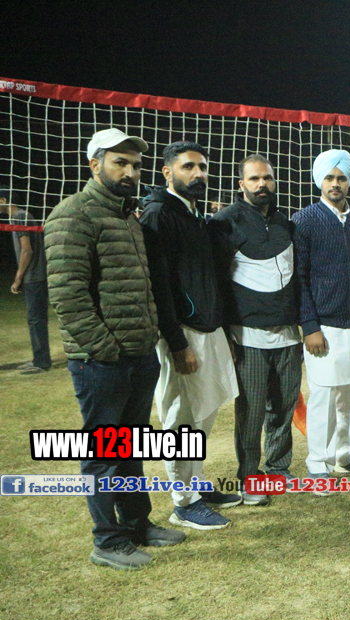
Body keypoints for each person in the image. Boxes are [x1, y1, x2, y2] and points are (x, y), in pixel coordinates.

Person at [45, 127, 186, 569]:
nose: (130, 171)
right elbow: (68, 295)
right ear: (95, 165)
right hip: (102, 361)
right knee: (104, 455)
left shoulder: (127, 216)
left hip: (138, 354)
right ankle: (107, 541)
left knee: (129, 450)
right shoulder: (73, 214)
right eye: (119, 162)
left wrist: (144, 341)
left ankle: (137, 524)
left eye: (135, 165)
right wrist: (103, 348)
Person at [141, 140, 241, 528]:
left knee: (204, 413)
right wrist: (176, 340)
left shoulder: (192, 213)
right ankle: (183, 502)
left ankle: (194, 483)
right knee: (181, 417)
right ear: (167, 172)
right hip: (183, 331)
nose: (198, 173)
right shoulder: (158, 214)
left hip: (207, 326)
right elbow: (160, 284)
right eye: (188, 167)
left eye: (202, 167)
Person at [210, 155, 305, 506]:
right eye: (253, 178)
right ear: (241, 184)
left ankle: (278, 469)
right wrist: (224, 332)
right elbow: (216, 282)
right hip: (247, 336)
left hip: (288, 335)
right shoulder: (224, 223)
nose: (261, 184)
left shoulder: (285, 224)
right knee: (250, 413)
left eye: (267, 178)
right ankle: (249, 477)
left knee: (283, 407)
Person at [293, 149, 350, 488]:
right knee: (323, 398)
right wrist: (310, 326)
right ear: (319, 180)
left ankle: (347, 454)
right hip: (323, 327)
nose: (335, 183)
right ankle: (317, 462)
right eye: (329, 177)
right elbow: (299, 278)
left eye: (341, 178)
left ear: (349, 181)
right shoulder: (304, 220)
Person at [3, 189, 52, 373]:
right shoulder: (21, 216)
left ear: (3, 200)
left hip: (34, 275)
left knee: (36, 319)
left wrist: (18, 278)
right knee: (35, 319)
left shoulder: (20, 216)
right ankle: (39, 359)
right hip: (36, 275)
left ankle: (41, 362)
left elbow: (27, 250)